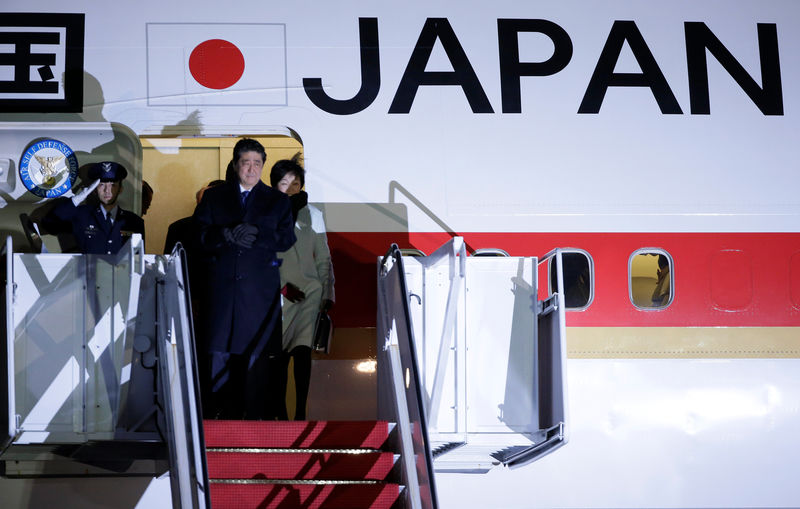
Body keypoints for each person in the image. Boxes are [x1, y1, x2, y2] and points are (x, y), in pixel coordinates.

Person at [194, 139, 296, 420]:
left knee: (257, 359)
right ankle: (215, 420)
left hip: (257, 295)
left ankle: (254, 422)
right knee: (218, 354)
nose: (250, 169)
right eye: (245, 162)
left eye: (256, 163)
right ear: (236, 164)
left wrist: (258, 235)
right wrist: (224, 234)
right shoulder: (215, 197)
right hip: (222, 292)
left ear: (262, 165)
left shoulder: (278, 200)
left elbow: (287, 238)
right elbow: (197, 235)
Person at [271, 157, 335, 420]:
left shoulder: (314, 214)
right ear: (274, 185)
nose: (290, 188)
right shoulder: (266, 212)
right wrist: (281, 288)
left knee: (302, 354)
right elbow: (264, 256)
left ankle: (299, 412)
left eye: (295, 183)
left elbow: (323, 257)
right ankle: (279, 412)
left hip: (309, 292)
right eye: (284, 183)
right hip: (280, 293)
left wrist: (327, 292)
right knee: (279, 356)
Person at [41, 161, 144, 254]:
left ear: (120, 189)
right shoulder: (82, 215)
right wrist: (76, 199)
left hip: (121, 274)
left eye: (113, 185)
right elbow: (49, 225)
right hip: (88, 274)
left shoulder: (134, 221)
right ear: (94, 189)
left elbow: (139, 258)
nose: (107, 191)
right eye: (102, 185)